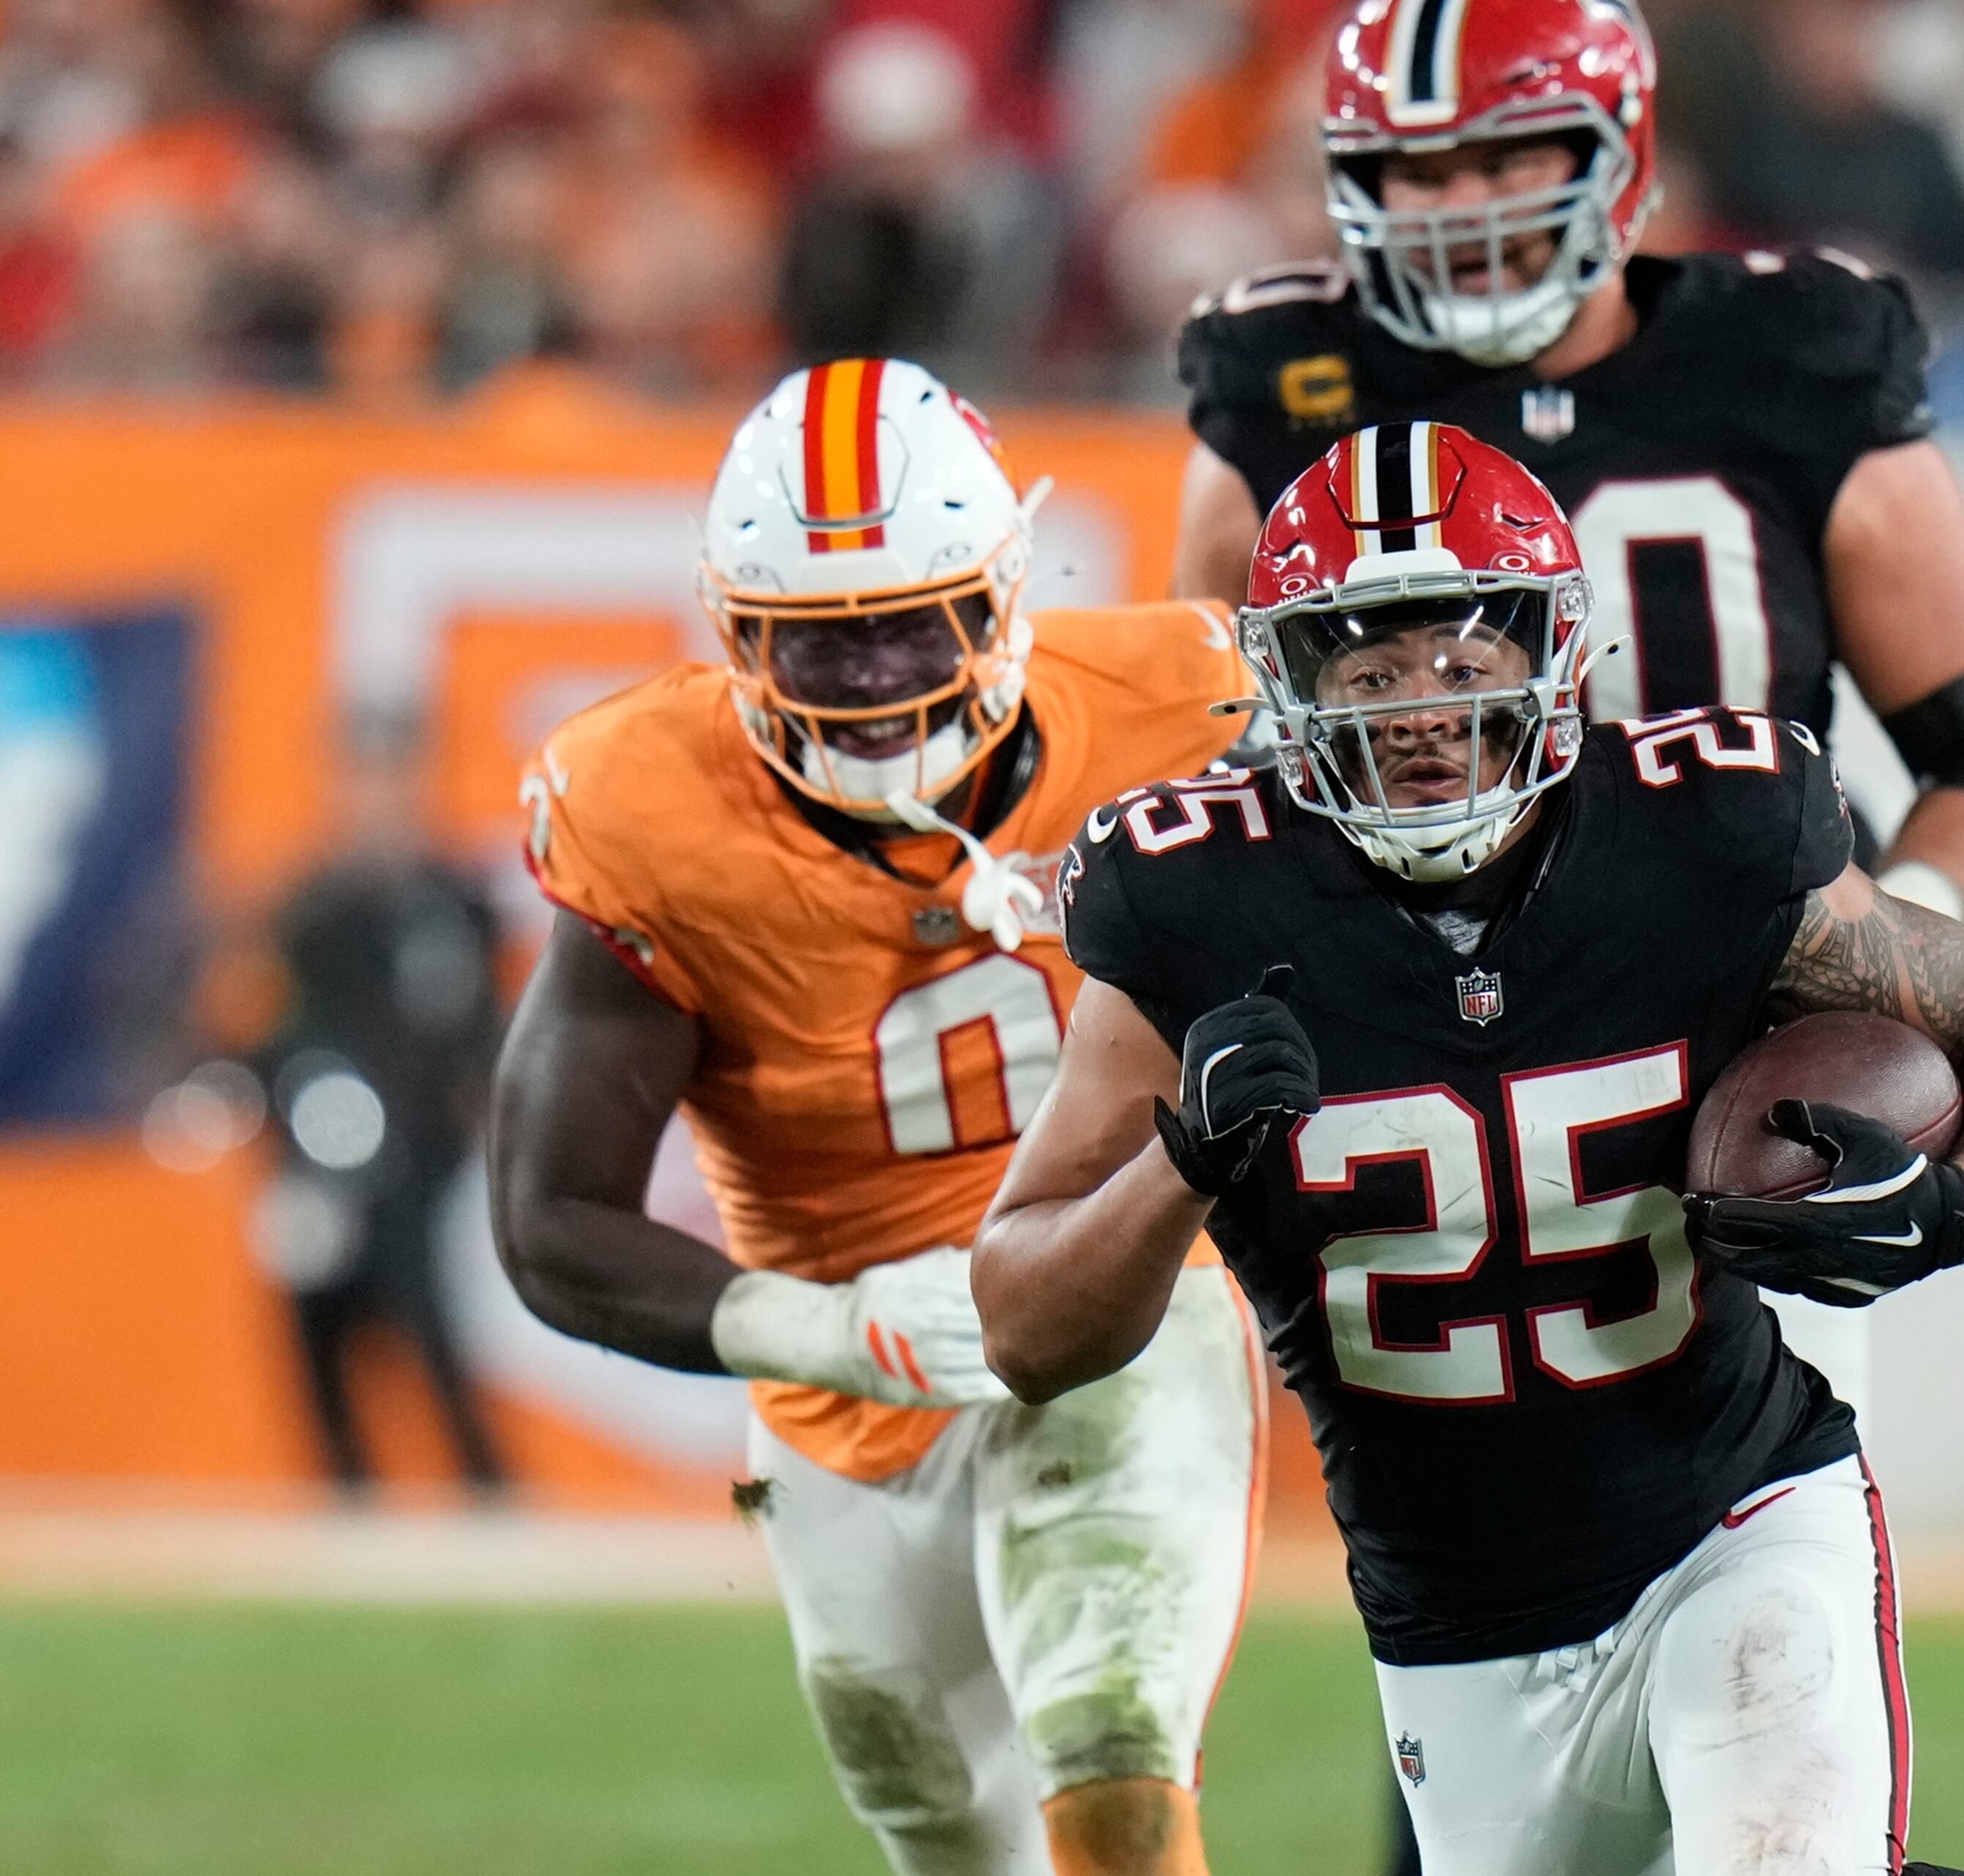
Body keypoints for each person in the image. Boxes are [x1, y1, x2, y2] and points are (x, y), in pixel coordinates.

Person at [977, 425, 1964, 1876]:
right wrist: (1178, 1164)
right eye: (1368, 669)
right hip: (1455, 1615)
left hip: (1736, 1510)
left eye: (1463, 658)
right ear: (1291, 683)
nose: (1423, 710)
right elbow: (1022, 1321)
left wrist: (1958, 1200)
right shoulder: (1192, 902)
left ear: (1554, 654)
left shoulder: (1706, 828)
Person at [487, 358, 1264, 1876]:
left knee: (1112, 1742)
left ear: (1005, 592)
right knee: (939, 1822)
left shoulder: (1185, 701)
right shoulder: (649, 805)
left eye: (912, 622)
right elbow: (550, 1221)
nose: (873, 679)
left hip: (1127, 1286)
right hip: (846, 1377)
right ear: (733, 631)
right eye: (817, 643)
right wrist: (836, 1330)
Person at [1169, 0, 1964, 935]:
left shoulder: (1792, 359)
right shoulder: (1284, 388)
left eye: (1508, 159)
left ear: (1617, 154)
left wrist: (1894, 936)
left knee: (1896, 1075)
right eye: (1422, 172)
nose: (1466, 209)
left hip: (1747, 960)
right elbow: (1207, 767)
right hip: (1416, 990)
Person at [253, 727, 506, 1497]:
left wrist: (475, 1105)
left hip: (422, 1150)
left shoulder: (453, 897)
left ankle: (487, 1487)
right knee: (316, 1316)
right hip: (327, 1149)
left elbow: (479, 1020)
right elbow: (286, 1028)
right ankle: (346, 1488)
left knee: (428, 1316)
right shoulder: (313, 905)